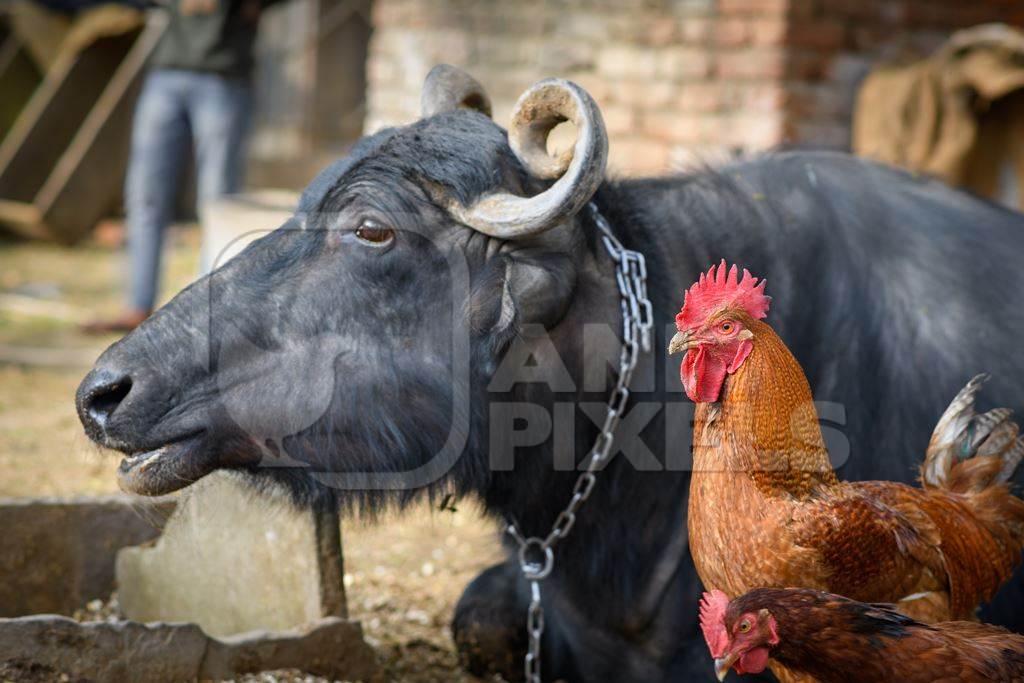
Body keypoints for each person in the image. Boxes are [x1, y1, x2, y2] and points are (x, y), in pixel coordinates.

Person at [85, 0, 282, 333]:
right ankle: (137, 306)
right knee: (144, 195)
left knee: (218, 200)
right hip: (167, 72)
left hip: (225, 74)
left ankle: (208, 314)